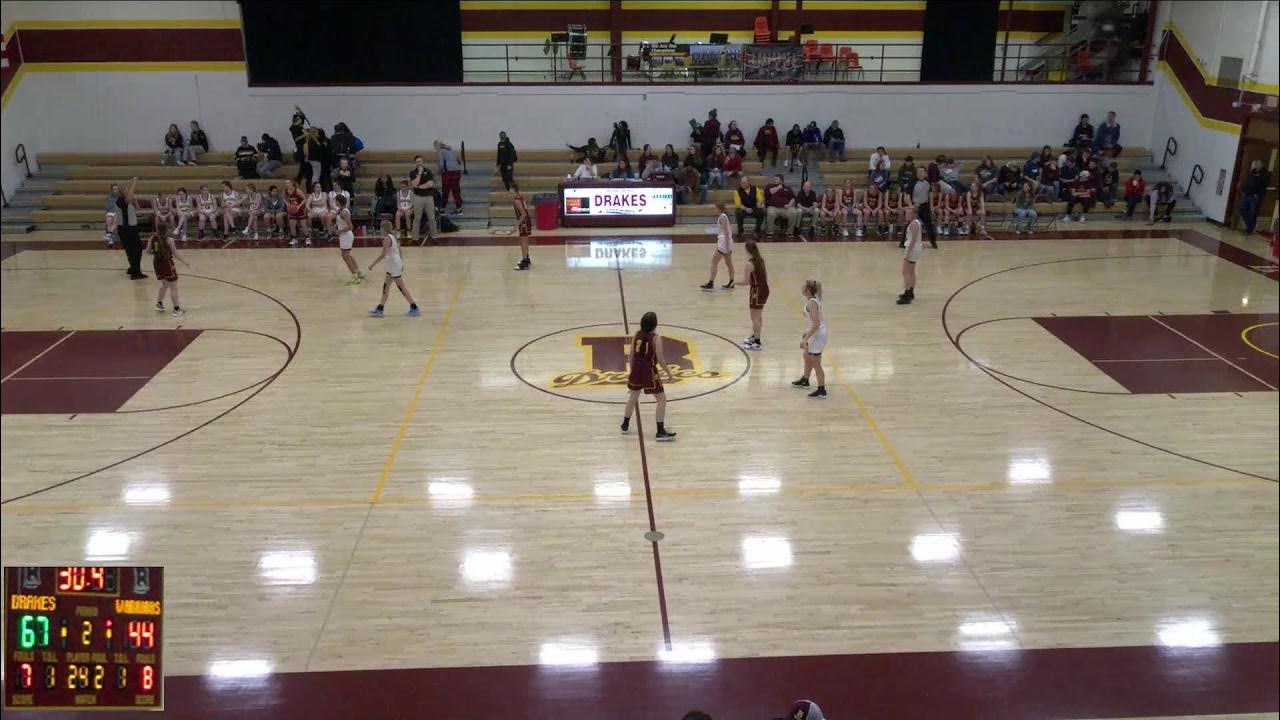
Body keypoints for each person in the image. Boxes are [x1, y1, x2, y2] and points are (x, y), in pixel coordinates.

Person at [620, 311, 677, 441]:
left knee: (633, 397)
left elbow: (631, 356)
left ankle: (625, 424)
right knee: (662, 400)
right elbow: (660, 358)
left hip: (636, 370)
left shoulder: (636, 335)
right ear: (655, 324)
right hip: (649, 372)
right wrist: (669, 373)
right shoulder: (656, 338)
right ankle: (660, 431)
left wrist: (632, 372)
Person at [367, 220, 421, 318]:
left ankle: (414, 307)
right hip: (393, 264)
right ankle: (380, 308)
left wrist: (372, 264)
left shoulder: (387, 239)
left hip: (393, 265)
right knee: (386, 287)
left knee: (402, 287)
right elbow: (400, 250)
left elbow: (383, 254)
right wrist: (401, 262)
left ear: (383, 229)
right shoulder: (394, 236)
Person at [792, 279, 827, 399]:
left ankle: (821, 390)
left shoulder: (812, 303)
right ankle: (805, 380)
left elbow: (817, 323)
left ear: (807, 290)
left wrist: (805, 338)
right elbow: (816, 322)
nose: (801, 288)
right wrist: (808, 333)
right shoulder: (812, 301)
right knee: (807, 356)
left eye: (803, 287)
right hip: (816, 333)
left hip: (819, 335)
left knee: (816, 362)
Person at [147, 229, 190, 317]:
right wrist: (185, 262)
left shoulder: (152, 238)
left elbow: (147, 251)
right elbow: (175, 254)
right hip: (167, 264)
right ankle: (176, 309)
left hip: (157, 263)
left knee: (165, 284)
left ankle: (159, 303)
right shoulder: (169, 240)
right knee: (173, 287)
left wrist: (157, 252)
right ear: (166, 231)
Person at [116, 177, 145, 278]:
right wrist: (134, 183)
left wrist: (135, 201)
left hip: (129, 228)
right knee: (136, 250)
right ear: (122, 192)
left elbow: (138, 208)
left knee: (131, 250)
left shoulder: (127, 200)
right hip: (126, 229)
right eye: (126, 190)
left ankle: (133, 268)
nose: (128, 191)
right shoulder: (121, 200)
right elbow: (128, 197)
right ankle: (135, 272)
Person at [742, 241, 769, 350]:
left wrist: (734, 283)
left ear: (747, 250)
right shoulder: (761, 261)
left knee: (755, 318)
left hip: (756, 291)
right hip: (764, 289)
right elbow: (765, 277)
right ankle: (755, 336)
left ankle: (757, 342)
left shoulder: (749, 264)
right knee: (758, 316)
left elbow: (746, 282)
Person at [702, 203, 736, 290]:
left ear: (719, 209)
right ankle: (731, 281)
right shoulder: (725, 216)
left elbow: (726, 232)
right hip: (728, 242)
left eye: (715, 209)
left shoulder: (722, 217)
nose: (715, 210)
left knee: (714, 262)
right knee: (729, 263)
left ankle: (711, 282)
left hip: (724, 243)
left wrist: (726, 245)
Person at [333, 194, 363, 285]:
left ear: (339, 201)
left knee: (345, 257)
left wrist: (339, 231)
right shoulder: (340, 211)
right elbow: (340, 222)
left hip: (346, 235)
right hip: (344, 235)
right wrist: (335, 226)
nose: (334, 202)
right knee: (348, 255)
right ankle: (358, 272)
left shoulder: (344, 212)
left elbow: (350, 226)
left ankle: (355, 276)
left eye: (336, 200)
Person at [898, 207, 923, 305]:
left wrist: (908, 253)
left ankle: (907, 294)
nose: (906, 215)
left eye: (908, 213)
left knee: (906, 272)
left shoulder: (913, 224)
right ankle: (911, 292)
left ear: (914, 214)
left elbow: (913, 240)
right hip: (916, 249)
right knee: (911, 271)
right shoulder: (916, 222)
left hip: (912, 249)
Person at [408, 155, 437, 243]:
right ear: (415, 163)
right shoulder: (413, 173)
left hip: (428, 197)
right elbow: (414, 184)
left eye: (420, 161)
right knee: (417, 218)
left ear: (422, 162)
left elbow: (430, 184)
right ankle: (415, 238)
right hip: (418, 198)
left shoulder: (428, 171)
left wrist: (420, 186)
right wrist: (420, 174)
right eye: (417, 162)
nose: (419, 163)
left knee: (431, 217)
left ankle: (434, 236)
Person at [1239, 160, 1270, 235]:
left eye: (1254, 165)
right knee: (1242, 209)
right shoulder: (1252, 172)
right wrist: (1244, 190)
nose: (1253, 166)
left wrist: (1258, 194)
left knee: (1251, 213)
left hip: (1255, 196)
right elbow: (1248, 182)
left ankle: (1249, 229)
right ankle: (1251, 226)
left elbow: (1264, 186)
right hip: (1247, 194)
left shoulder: (1264, 174)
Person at [910, 167, 938, 249]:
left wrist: (931, 206)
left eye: (922, 171)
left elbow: (930, 194)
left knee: (929, 224)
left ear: (925, 173)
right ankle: (904, 243)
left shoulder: (928, 182)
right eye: (918, 172)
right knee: (911, 224)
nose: (920, 173)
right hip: (915, 205)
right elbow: (907, 195)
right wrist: (911, 205)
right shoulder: (913, 182)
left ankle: (933, 242)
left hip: (925, 205)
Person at [434, 140, 464, 214]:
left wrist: (438, 173)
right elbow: (460, 161)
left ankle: (442, 209)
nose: (435, 148)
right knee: (456, 191)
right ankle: (459, 209)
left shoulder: (441, 151)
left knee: (445, 191)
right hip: (457, 172)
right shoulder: (452, 150)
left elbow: (441, 165)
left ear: (438, 146)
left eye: (435, 146)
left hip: (448, 173)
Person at [512, 183, 532, 271]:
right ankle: (526, 259)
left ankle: (524, 263)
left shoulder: (517, 200)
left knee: (523, 242)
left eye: (510, 190)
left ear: (513, 190)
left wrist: (517, 224)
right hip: (526, 221)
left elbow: (523, 213)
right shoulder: (520, 197)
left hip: (523, 222)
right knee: (525, 241)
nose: (509, 192)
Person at [284, 179, 307, 245]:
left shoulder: (297, 190)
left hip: (300, 209)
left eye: (288, 183)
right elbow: (284, 198)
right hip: (292, 210)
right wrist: (288, 205)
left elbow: (305, 198)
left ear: (292, 183)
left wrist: (299, 206)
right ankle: (294, 239)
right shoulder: (285, 191)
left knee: (303, 225)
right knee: (292, 225)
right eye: (285, 183)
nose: (286, 184)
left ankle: (307, 238)